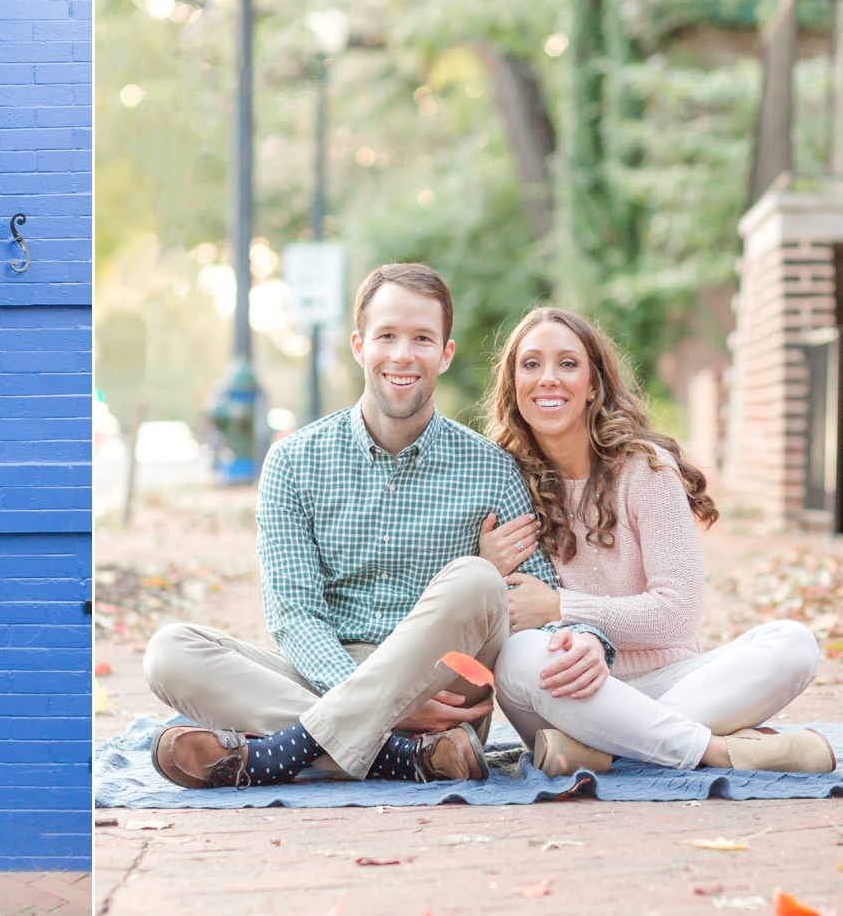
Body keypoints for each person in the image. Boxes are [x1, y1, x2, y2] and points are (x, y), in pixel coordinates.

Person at [144, 263, 614, 789]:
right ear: (358, 346)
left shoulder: (492, 468)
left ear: (446, 353)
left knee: (479, 579)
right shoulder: (293, 463)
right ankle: (400, 755)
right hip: (331, 676)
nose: (403, 355)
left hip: (441, 687)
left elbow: (542, 602)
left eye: (422, 338)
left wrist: (592, 638)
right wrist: (374, 700)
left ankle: (279, 753)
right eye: (386, 336)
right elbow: (295, 614)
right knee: (171, 651)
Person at [484, 307, 834, 776]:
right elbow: (511, 620)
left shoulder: (644, 469)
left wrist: (562, 608)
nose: (548, 378)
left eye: (567, 363)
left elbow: (677, 613)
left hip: (674, 685)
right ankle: (715, 750)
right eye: (531, 364)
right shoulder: (502, 482)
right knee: (515, 660)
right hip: (571, 693)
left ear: (593, 385)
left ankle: (604, 751)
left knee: (794, 643)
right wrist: (489, 572)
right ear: (514, 386)